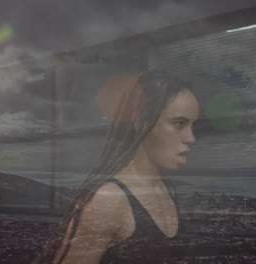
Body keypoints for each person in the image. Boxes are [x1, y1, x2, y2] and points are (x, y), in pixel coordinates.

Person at [33, 70, 199, 264]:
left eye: (192, 125)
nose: (191, 138)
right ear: (143, 123)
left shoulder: (166, 188)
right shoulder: (108, 201)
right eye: (179, 123)